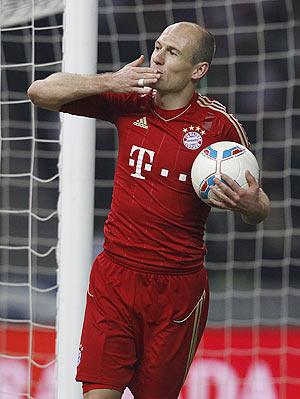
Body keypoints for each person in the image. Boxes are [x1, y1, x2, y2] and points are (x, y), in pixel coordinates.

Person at [27, 22, 270, 399]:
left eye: (172, 52)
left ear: (198, 70)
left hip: (177, 289)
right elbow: (39, 92)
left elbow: (259, 207)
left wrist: (252, 206)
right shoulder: (129, 100)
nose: (157, 56)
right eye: (158, 46)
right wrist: (110, 81)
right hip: (115, 278)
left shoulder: (219, 127)